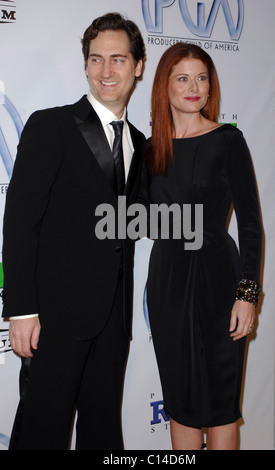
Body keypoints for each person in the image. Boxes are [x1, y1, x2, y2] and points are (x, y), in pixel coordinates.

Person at [2, 13, 146, 450]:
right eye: (96, 59)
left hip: (114, 321)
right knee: (43, 432)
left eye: (118, 59)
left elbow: (131, 225)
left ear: (138, 66)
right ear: (85, 66)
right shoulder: (51, 125)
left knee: (103, 435)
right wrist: (22, 310)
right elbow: (20, 221)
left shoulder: (140, 142)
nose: (106, 71)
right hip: (55, 317)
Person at [142, 43, 262, 450]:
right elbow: (134, 219)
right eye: (182, 78)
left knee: (220, 404)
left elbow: (250, 224)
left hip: (217, 280)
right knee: (180, 403)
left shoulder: (228, 140)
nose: (194, 87)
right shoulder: (149, 150)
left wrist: (247, 295)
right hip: (168, 283)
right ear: (165, 85)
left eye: (202, 78)